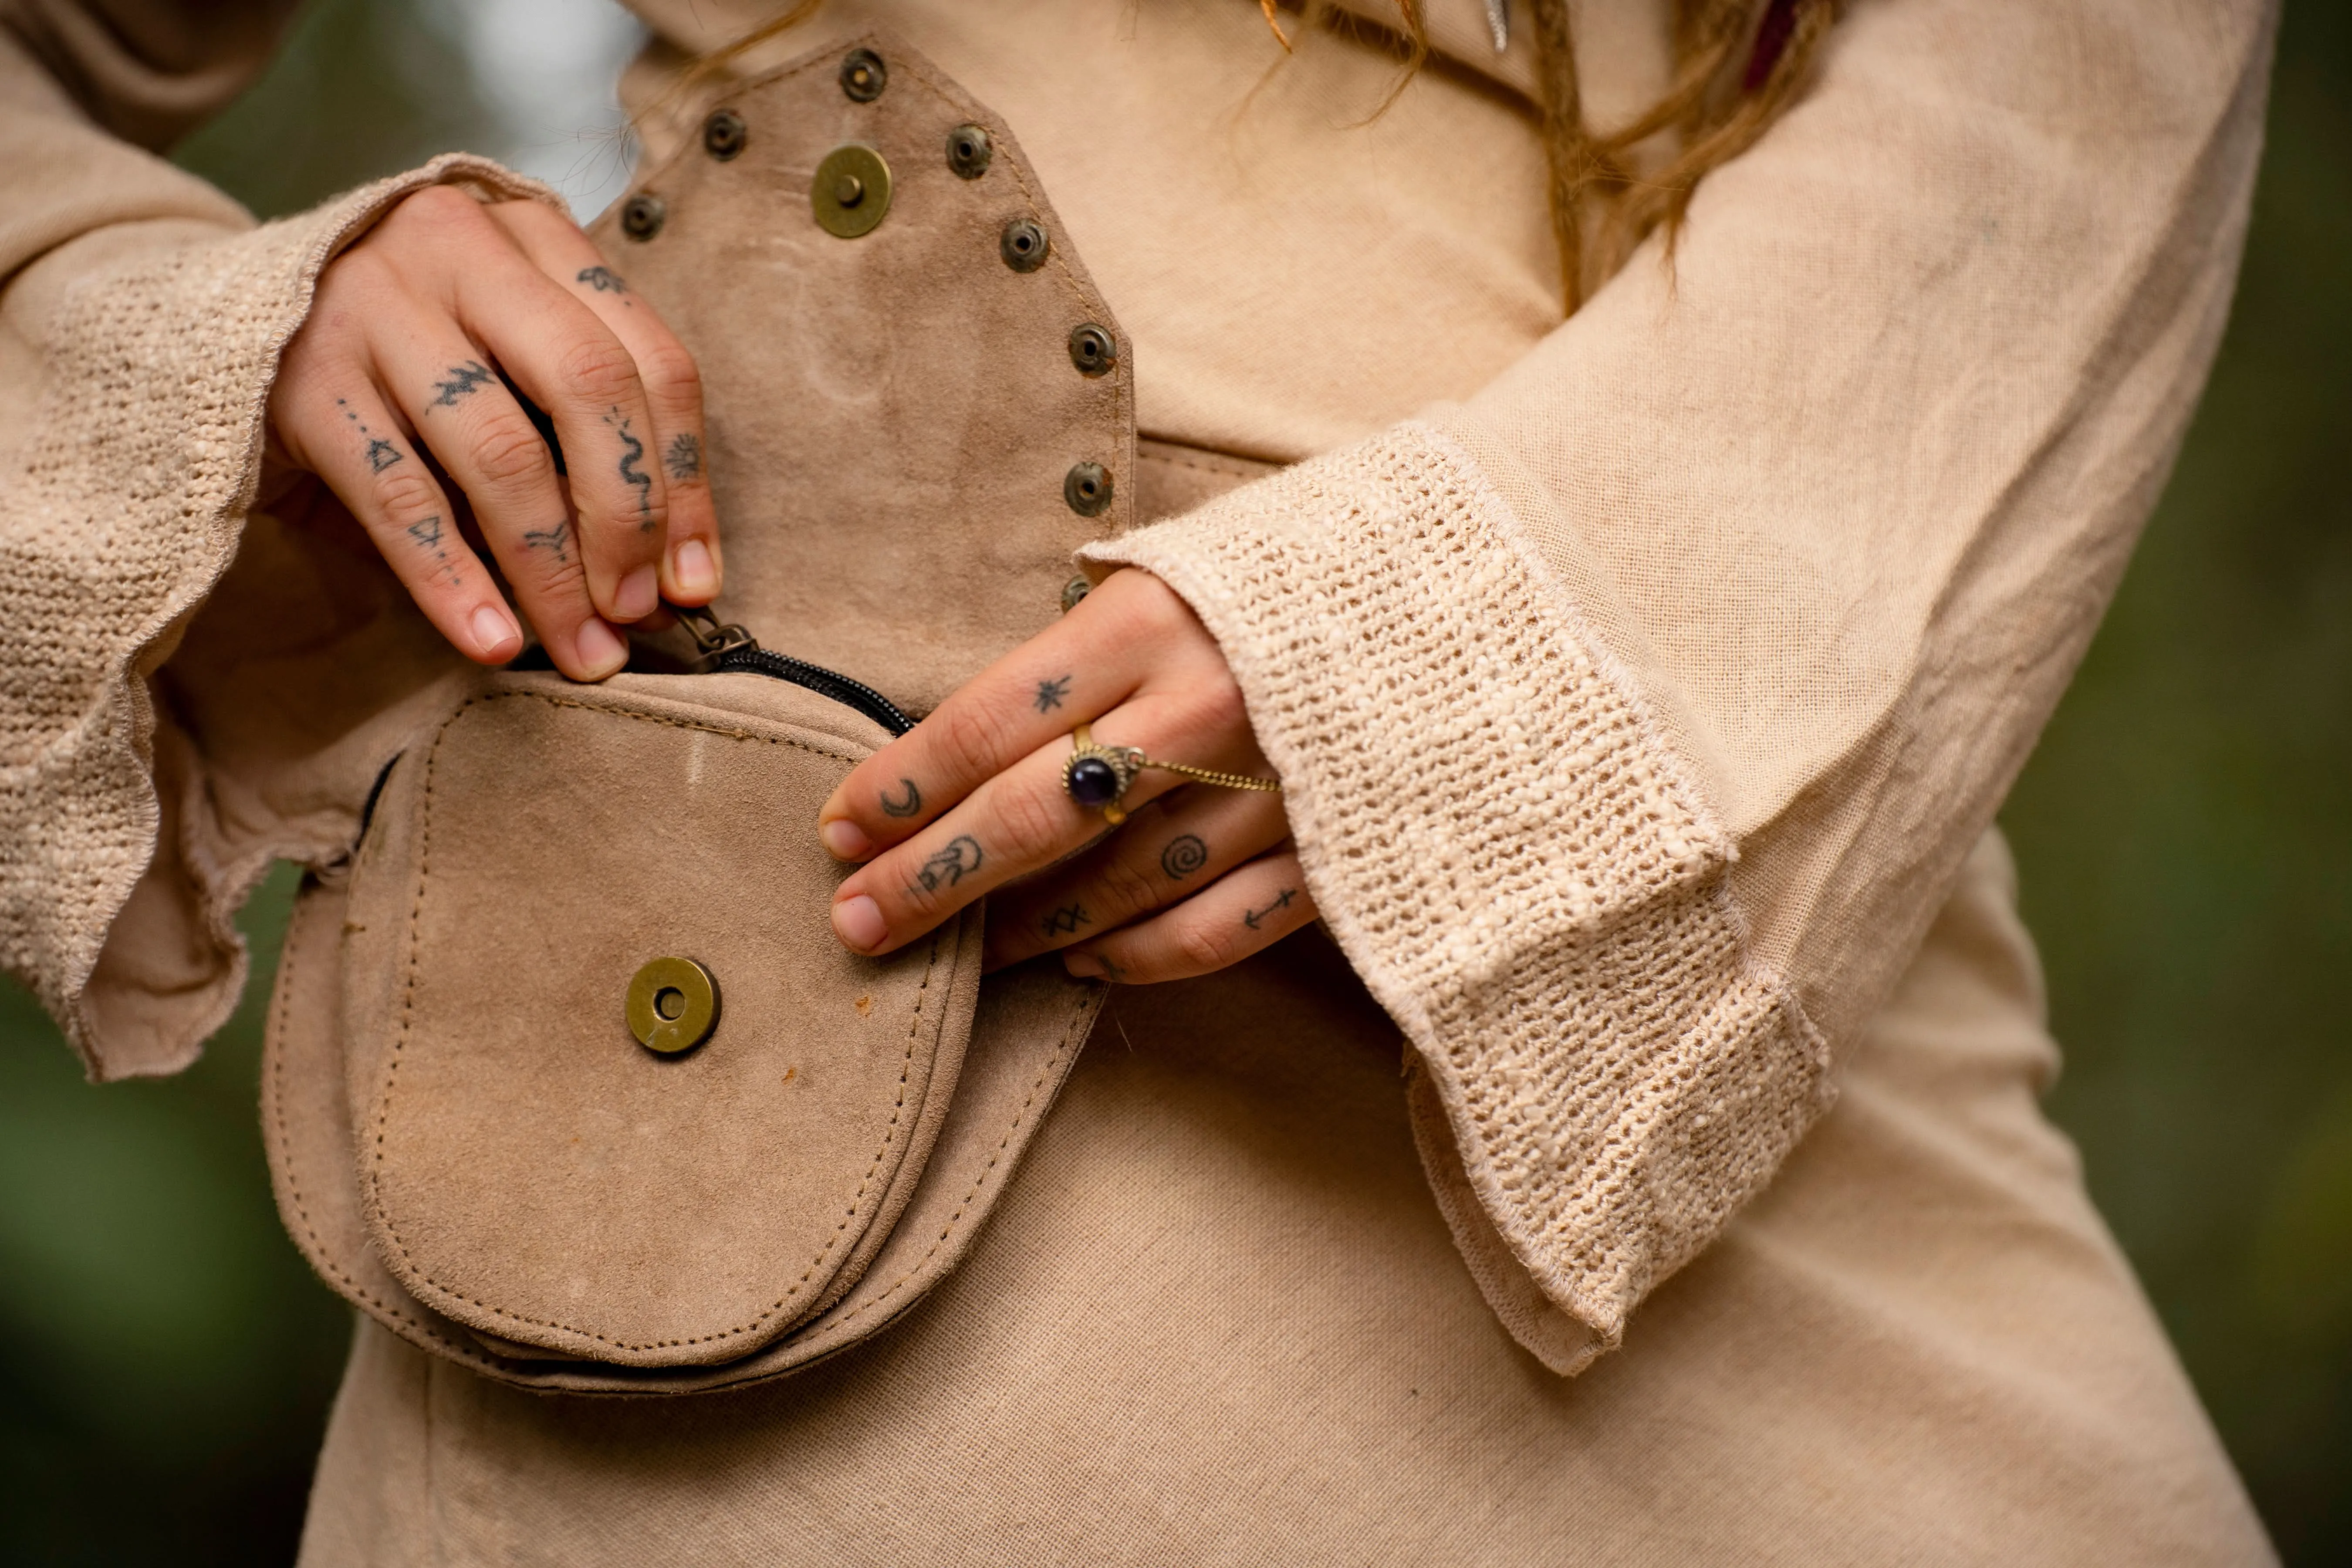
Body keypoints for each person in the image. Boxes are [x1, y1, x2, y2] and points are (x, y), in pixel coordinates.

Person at [0, 0, 2283, 1560]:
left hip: (1683, 921)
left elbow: (2068, 100)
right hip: (812, 1027)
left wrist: (1446, 657)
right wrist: (200, 298)